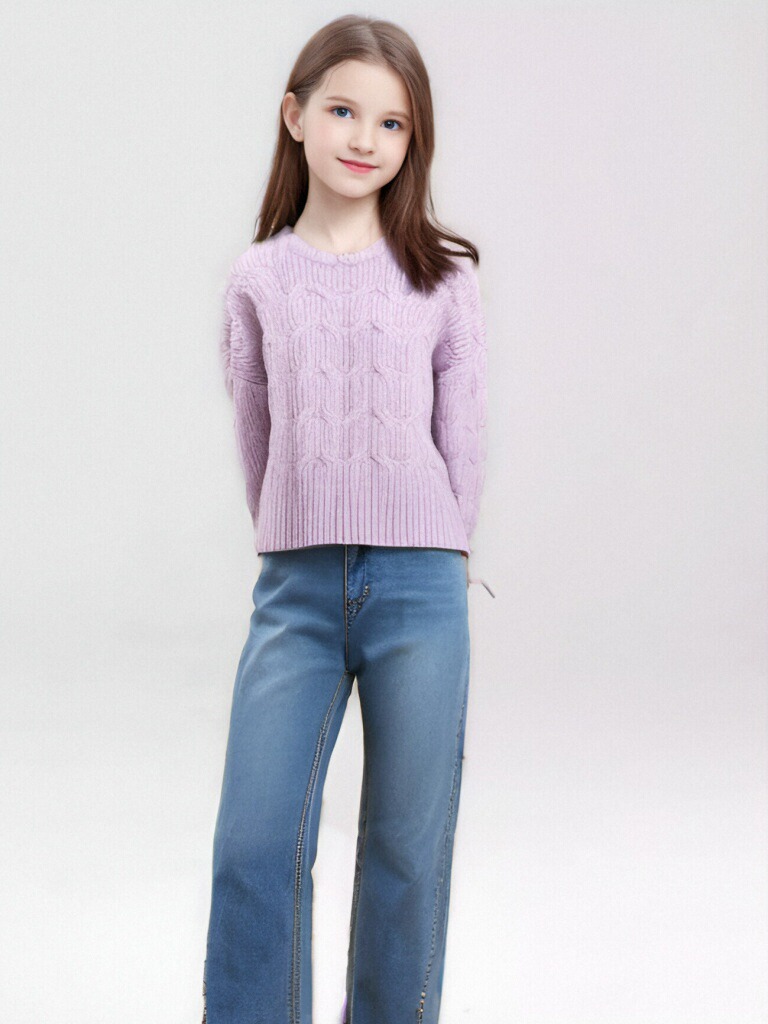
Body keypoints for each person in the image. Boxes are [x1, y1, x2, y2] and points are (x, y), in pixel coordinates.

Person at [202, 14, 495, 1024]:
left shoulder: (442, 278)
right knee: (253, 844)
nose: (365, 138)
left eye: (392, 123)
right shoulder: (259, 278)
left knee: (407, 852)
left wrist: (442, 553)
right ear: (294, 116)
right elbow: (258, 437)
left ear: (414, 141)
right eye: (342, 110)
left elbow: (463, 438)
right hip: (296, 588)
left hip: (422, 585)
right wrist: (299, 531)